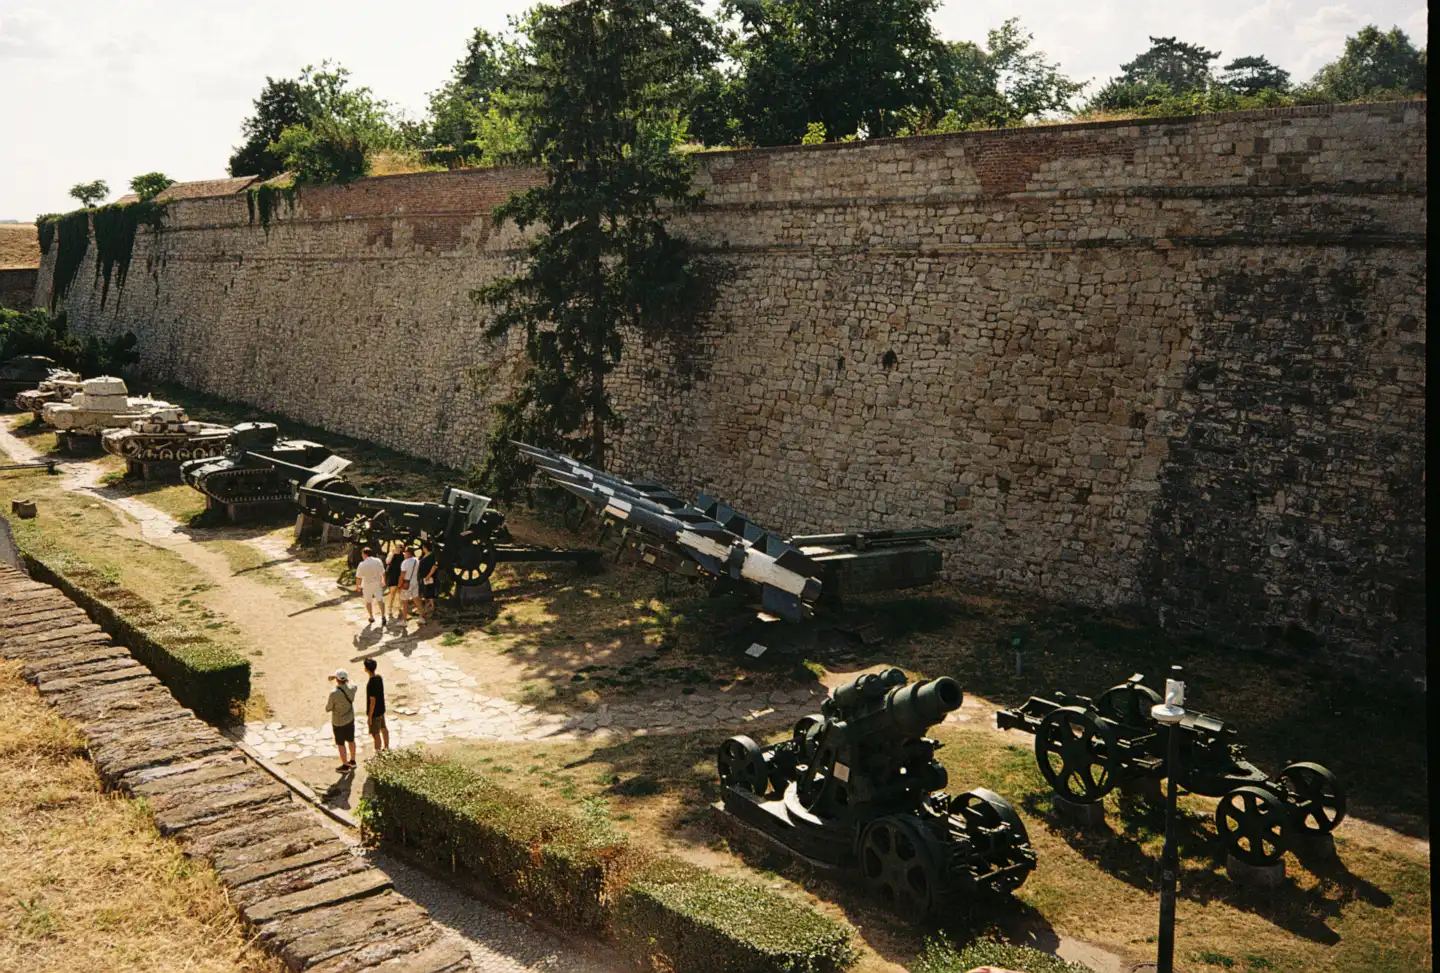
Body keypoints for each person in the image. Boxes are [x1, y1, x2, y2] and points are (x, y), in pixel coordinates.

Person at [325, 669, 358, 773]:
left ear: (337, 679)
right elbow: (352, 683)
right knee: (351, 740)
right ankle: (352, 761)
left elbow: (328, 708)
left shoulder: (334, 694)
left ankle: (345, 765)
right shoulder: (352, 688)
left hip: (338, 722)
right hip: (350, 719)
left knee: (341, 744)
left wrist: (335, 677)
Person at [353, 547, 387, 624]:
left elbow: (358, 577)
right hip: (377, 583)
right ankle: (383, 616)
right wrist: (383, 580)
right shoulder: (378, 561)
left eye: (362, 554)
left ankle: (371, 617)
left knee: (368, 601)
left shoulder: (362, 564)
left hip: (367, 584)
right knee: (380, 600)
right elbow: (383, 572)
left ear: (364, 554)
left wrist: (358, 586)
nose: (362, 556)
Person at [363, 657, 389, 753]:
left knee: (375, 733)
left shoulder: (370, 684)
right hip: (381, 709)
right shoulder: (379, 677)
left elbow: (372, 701)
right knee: (383, 728)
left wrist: (370, 717)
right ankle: (386, 747)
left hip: (375, 713)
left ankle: (378, 753)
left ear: (366, 669)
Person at [398, 546, 421, 623]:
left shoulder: (405, 562)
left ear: (408, 553)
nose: (404, 554)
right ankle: (422, 618)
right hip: (415, 582)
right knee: (417, 600)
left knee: (405, 602)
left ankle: (404, 621)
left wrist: (399, 585)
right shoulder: (417, 560)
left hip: (406, 583)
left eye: (405, 553)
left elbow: (402, 575)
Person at [417, 540, 438, 621]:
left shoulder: (432, 556)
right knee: (426, 593)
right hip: (424, 577)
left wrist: (428, 576)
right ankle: (427, 610)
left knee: (429, 594)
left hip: (428, 578)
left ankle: (431, 609)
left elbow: (434, 567)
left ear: (425, 547)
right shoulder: (425, 555)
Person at [383, 546, 405, 621]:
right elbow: (387, 562)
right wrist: (392, 554)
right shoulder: (391, 554)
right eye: (397, 547)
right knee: (392, 593)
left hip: (400, 576)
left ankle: (401, 608)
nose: (398, 549)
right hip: (392, 576)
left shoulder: (403, 555)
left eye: (399, 548)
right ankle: (390, 609)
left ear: (401, 549)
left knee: (401, 593)